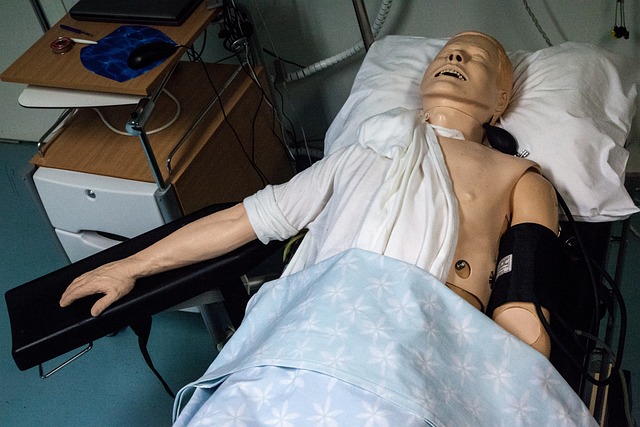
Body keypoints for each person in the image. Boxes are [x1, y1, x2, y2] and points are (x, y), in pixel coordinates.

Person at [60, 31, 589, 425]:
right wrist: (131, 265)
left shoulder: (517, 175)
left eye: (477, 58)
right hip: (309, 329)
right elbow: (243, 219)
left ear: (501, 100)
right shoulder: (360, 149)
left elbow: (523, 305)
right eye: (448, 52)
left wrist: (493, 385)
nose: (455, 57)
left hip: (423, 340)